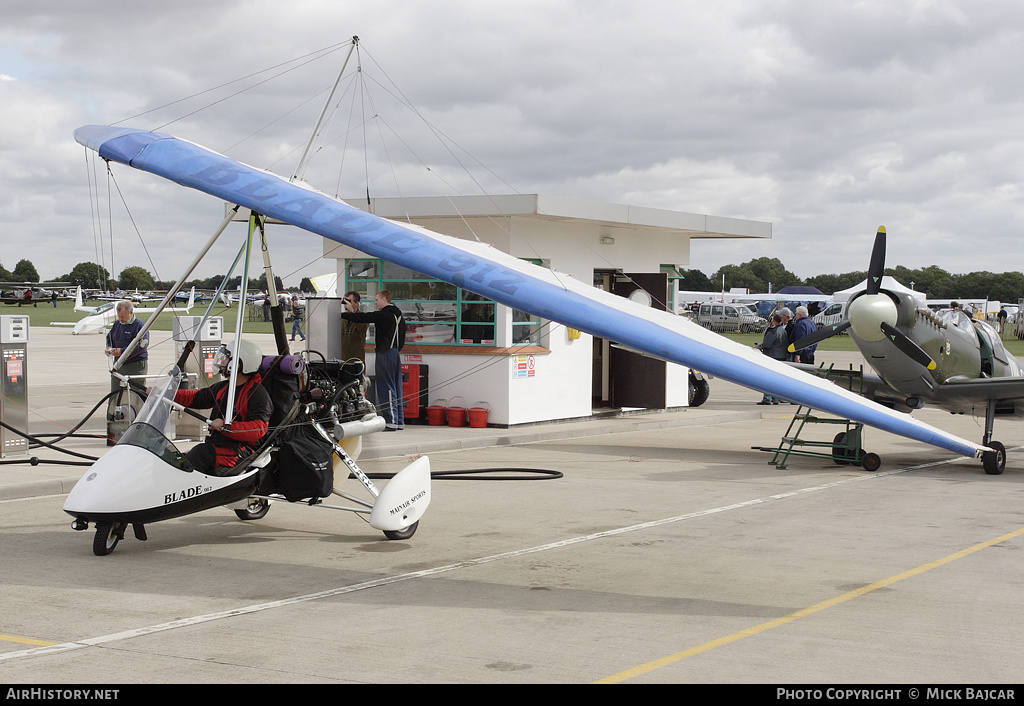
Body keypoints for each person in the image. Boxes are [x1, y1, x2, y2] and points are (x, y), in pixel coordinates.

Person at [173, 339, 272, 475]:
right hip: (220, 444)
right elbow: (195, 397)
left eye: (226, 358)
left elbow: (258, 429)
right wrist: (165, 394)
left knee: (201, 453)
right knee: (175, 459)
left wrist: (227, 427)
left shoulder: (257, 394)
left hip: (241, 451)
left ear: (237, 364)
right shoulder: (224, 387)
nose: (221, 361)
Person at [340, 290, 406, 430]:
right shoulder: (398, 314)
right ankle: (399, 420)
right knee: (396, 386)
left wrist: (349, 313)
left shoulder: (384, 314)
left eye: (376, 300)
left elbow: (365, 318)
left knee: (386, 386)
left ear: (383, 300)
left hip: (385, 352)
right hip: (394, 352)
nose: (375, 302)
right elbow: (402, 336)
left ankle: (390, 421)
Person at [106, 300, 150, 396]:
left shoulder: (140, 325)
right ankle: (113, 410)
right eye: (119, 316)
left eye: (123, 317)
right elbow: (109, 337)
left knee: (138, 393)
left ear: (131, 312)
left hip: (136, 365)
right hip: (119, 364)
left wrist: (122, 351)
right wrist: (109, 347)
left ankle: (140, 410)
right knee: (115, 392)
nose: (121, 319)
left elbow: (142, 346)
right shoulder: (117, 324)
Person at [754, 313, 788, 404]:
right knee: (777, 380)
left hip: (772, 356)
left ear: (773, 320)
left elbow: (767, 344)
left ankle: (767, 398)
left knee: (768, 379)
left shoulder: (773, 331)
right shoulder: (783, 331)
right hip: (781, 356)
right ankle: (776, 398)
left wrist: (759, 346)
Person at [340, 291, 369, 365]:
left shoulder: (363, 317)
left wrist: (352, 312)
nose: (346, 304)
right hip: (343, 360)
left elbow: (362, 328)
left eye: (349, 301)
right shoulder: (344, 318)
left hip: (356, 361)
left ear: (357, 303)